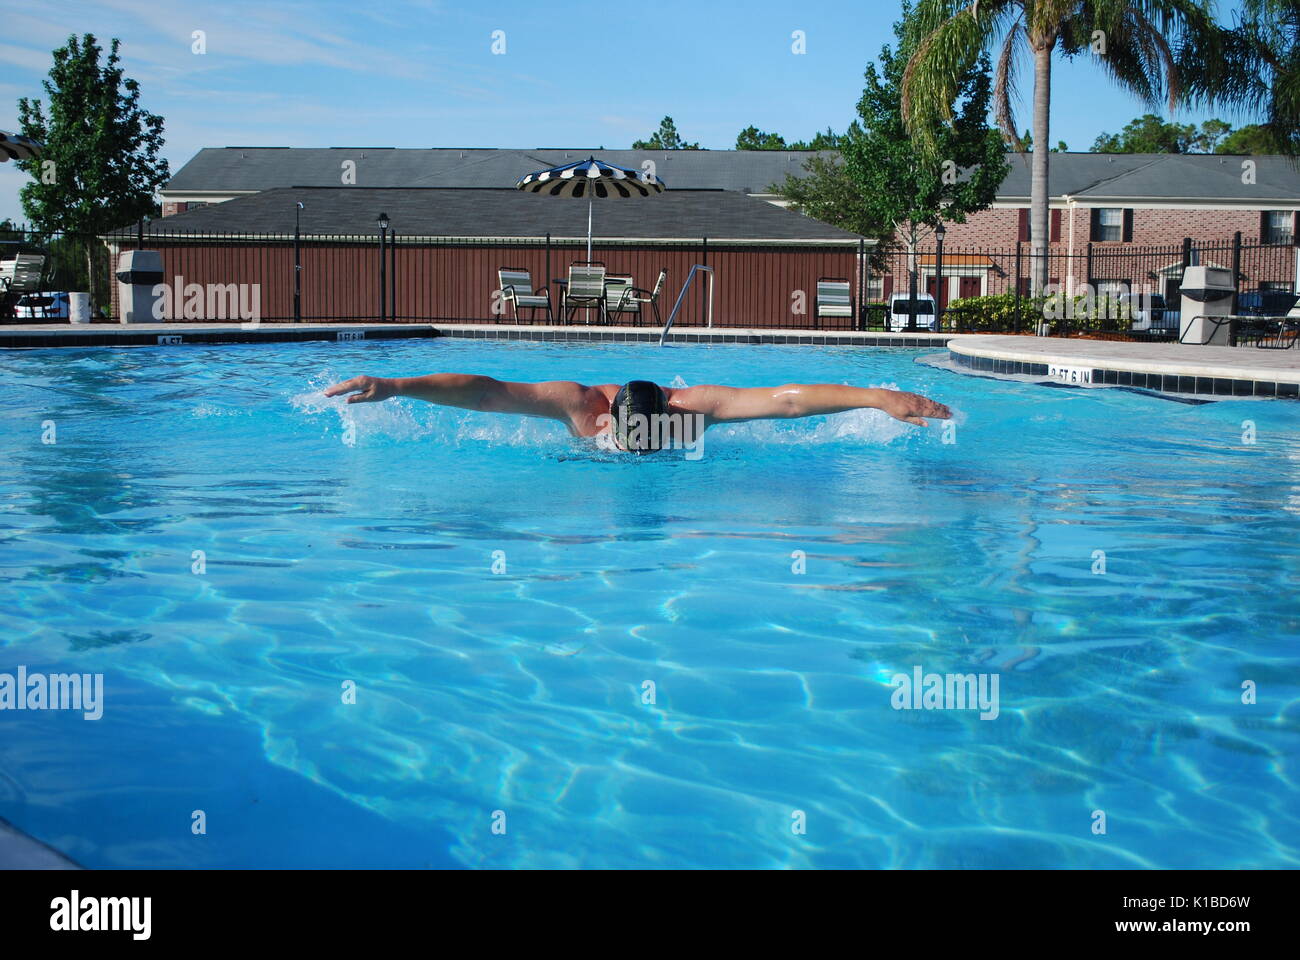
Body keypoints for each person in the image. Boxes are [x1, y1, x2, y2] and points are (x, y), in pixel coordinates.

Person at [323, 373, 952, 454]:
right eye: (634, 440)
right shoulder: (579, 410)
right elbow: (487, 393)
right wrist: (399, 385)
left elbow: (787, 402)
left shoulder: (696, 412)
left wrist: (879, 397)